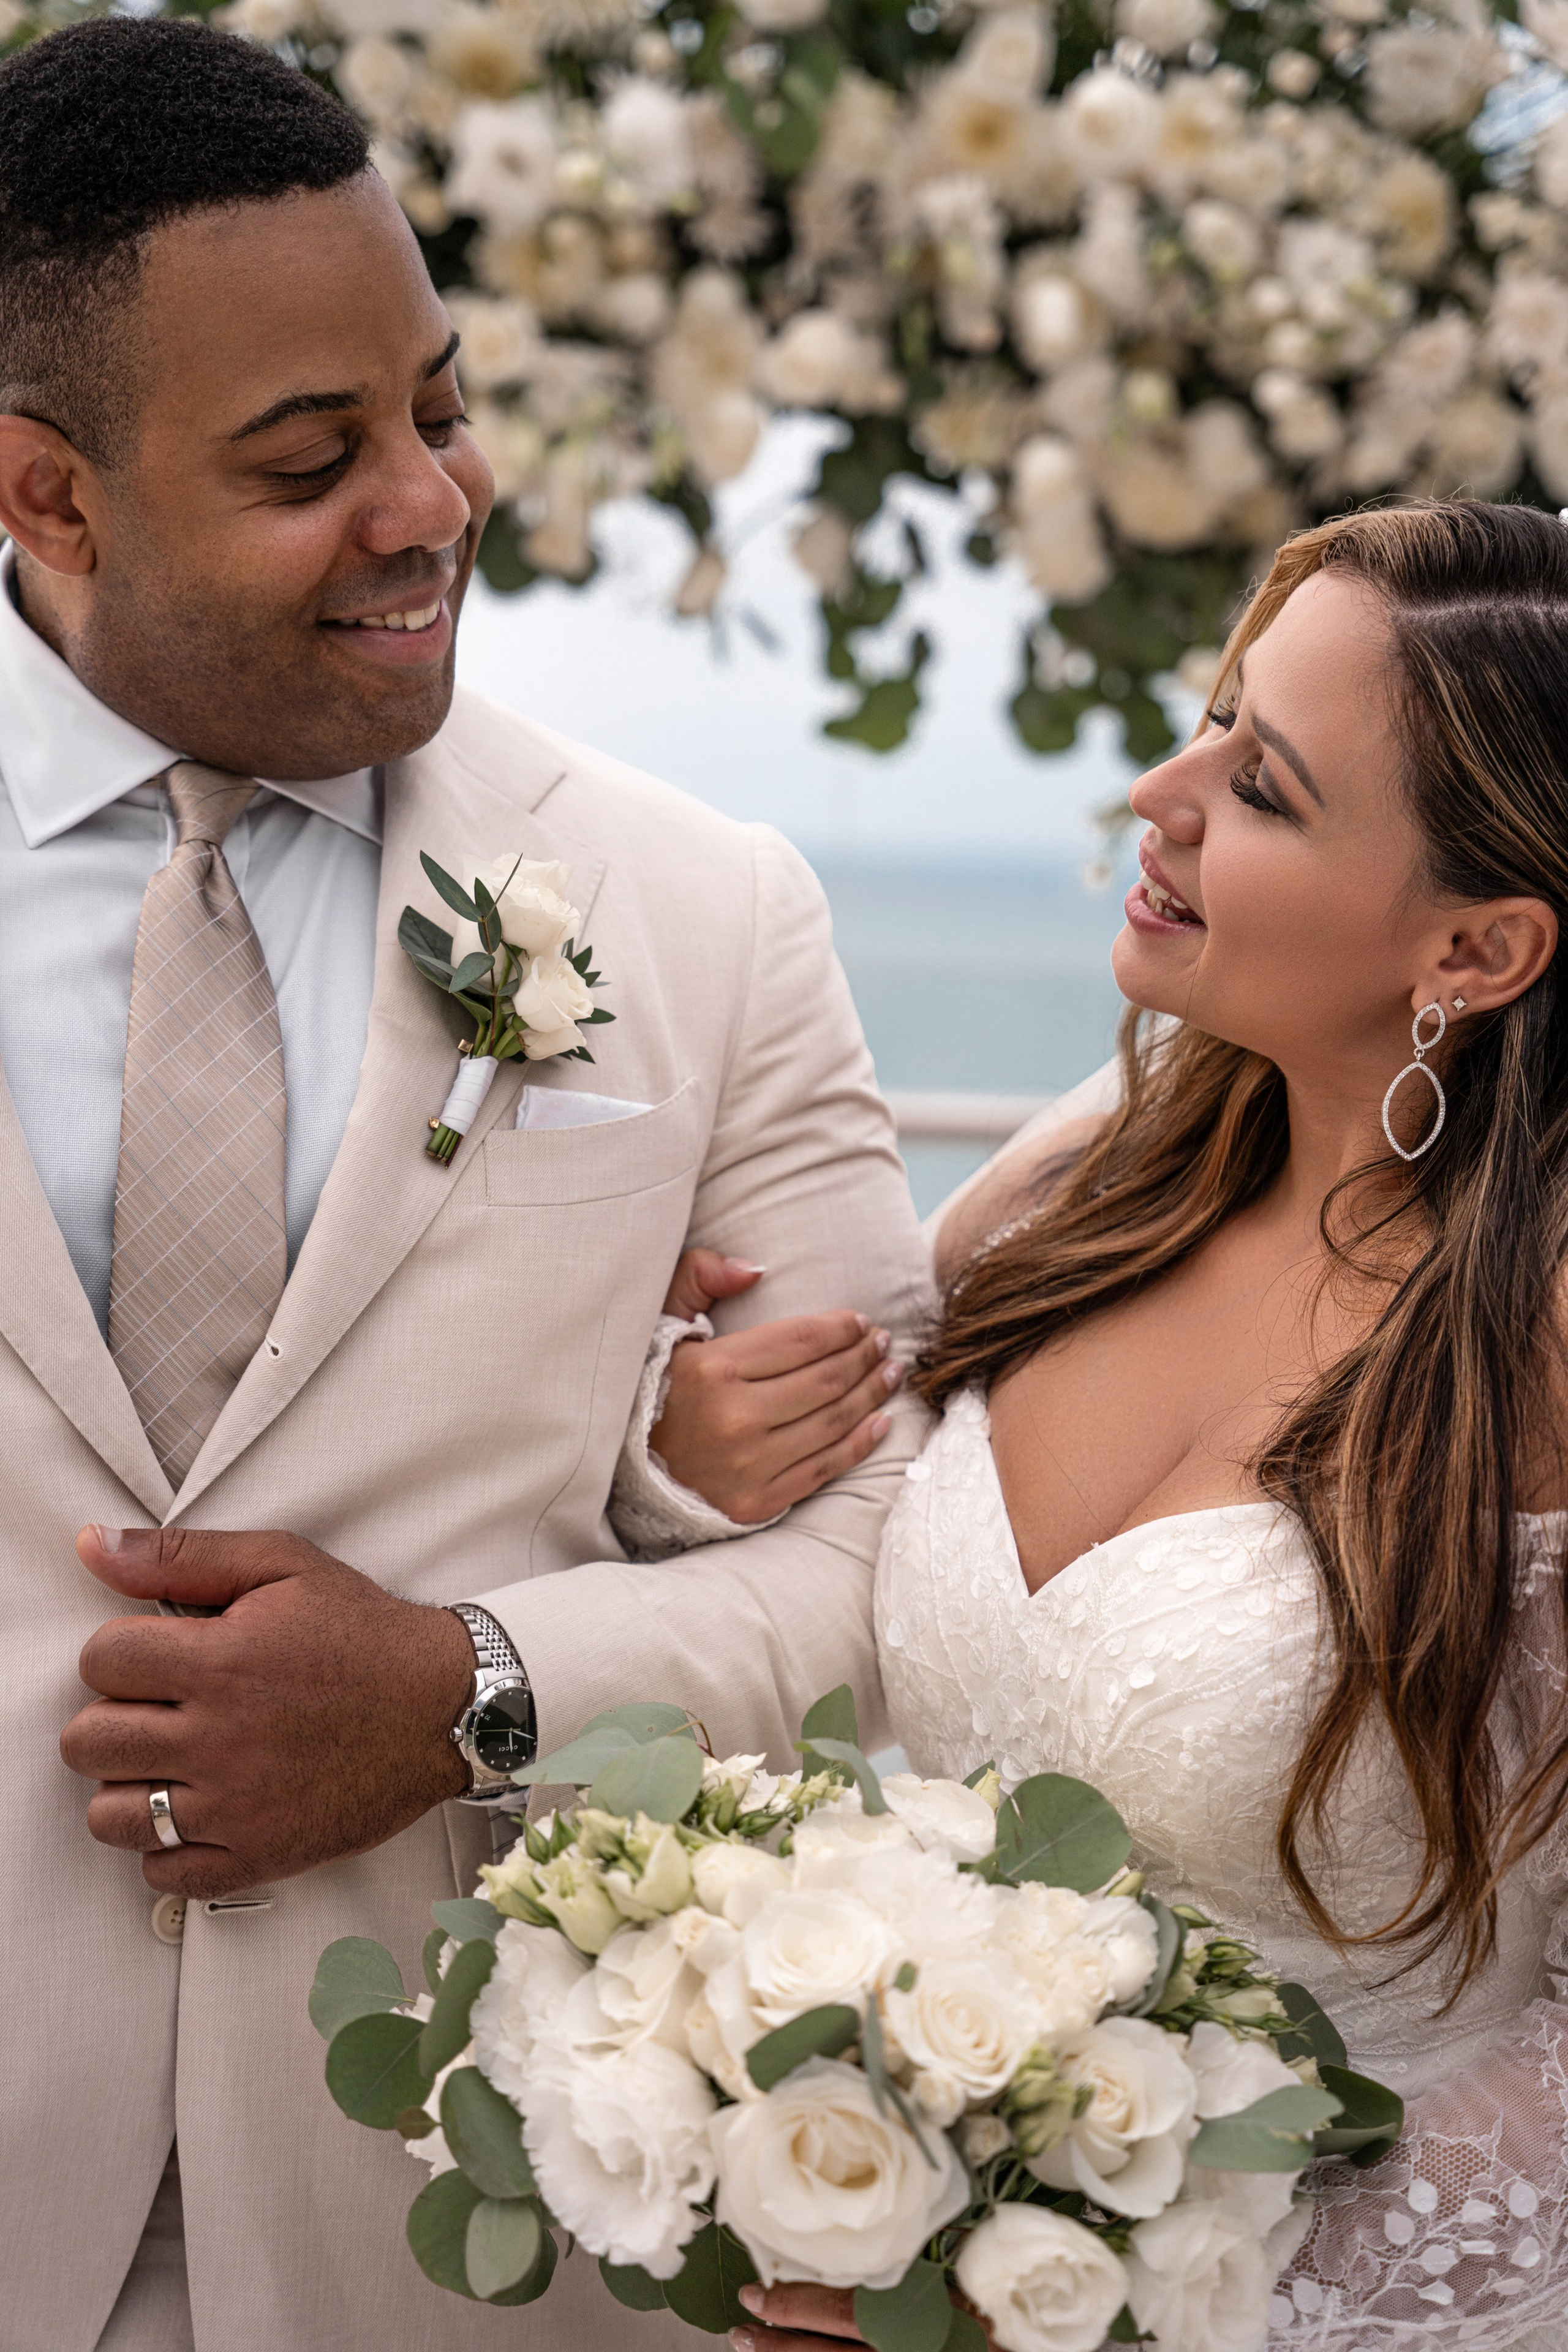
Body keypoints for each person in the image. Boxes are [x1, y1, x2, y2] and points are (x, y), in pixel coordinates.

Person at [0, 20, 929, 2350]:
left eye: (435, 404)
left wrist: (466, 1683)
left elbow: (897, 1561)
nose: (432, 500)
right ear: (48, 493)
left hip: (469, 2234)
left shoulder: (705, 907)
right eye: (314, 458)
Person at [647, 502, 1568, 2351]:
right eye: (1216, 717)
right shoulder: (1090, 1172)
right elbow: (806, 1496)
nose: (1161, 790)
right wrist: (691, 1449)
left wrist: (1121, 2300)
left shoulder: (1541, 1348)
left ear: (1475, 946)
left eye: (1271, 789)